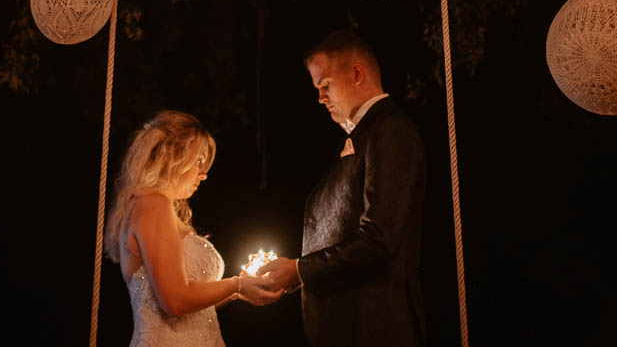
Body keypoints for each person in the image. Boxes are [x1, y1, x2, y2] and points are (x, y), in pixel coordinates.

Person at [261, 31, 427, 347]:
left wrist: (299, 270)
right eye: (317, 89)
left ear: (356, 73)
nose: (320, 98)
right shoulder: (359, 139)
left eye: (325, 85)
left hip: (376, 328)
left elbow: (379, 239)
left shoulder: (390, 131)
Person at [107, 110, 284, 346]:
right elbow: (174, 301)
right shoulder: (152, 204)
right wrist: (236, 284)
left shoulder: (155, 206)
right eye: (199, 161)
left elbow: (191, 307)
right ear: (172, 157)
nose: (204, 174)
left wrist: (237, 291)